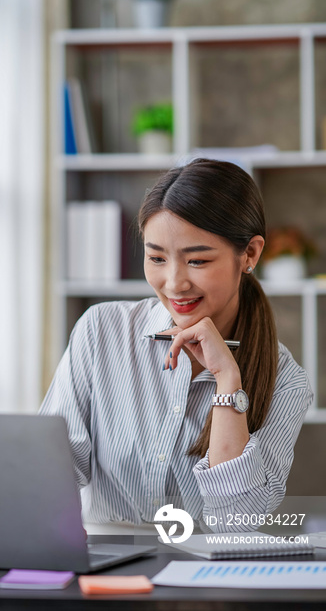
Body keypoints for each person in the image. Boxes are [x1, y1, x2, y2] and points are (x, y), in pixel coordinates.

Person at [40, 158, 313, 530]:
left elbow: (235, 522)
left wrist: (226, 379)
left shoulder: (285, 381)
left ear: (249, 254)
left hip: (208, 575)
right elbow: (48, 476)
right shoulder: (100, 331)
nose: (174, 283)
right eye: (156, 258)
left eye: (197, 260)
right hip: (106, 569)